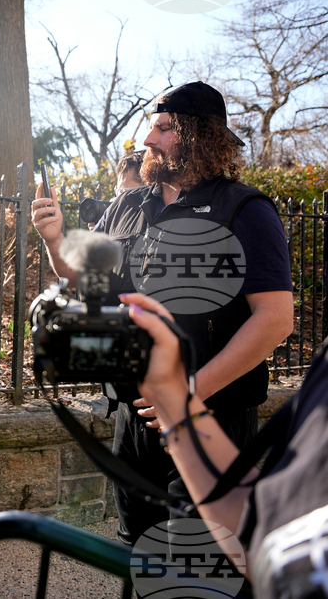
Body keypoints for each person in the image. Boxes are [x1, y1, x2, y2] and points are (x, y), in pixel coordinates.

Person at [31, 81, 294, 548]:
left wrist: (191, 393)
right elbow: (82, 277)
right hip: (135, 419)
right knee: (136, 553)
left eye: (164, 128)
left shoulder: (245, 210)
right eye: (151, 128)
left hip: (208, 417)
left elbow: (274, 318)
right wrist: (54, 238)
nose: (148, 139)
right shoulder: (130, 203)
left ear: (200, 135)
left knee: (199, 562)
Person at [125, 291, 328, 595]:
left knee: (198, 571)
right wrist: (171, 391)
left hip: (226, 413)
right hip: (155, 429)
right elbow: (262, 527)